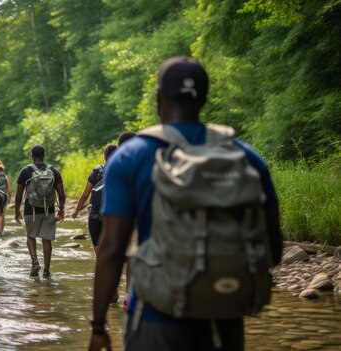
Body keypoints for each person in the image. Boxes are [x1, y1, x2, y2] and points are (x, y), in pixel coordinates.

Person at [89, 56, 283, 351]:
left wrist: (99, 325)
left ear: (158, 98)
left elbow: (113, 249)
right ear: (204, 98)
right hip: (224, 315)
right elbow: (274, 251)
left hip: (155, 316)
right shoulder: (247, 158)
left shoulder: (131, 158)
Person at [15, 145, 66, 278]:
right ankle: (46, 270)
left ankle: (34, 261)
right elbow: (61, 193)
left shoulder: (25, 171)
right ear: (44, 155)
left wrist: (16, 211)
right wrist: (61, 209)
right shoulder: (53, 171)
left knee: (31, 236)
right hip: (48, 210)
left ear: (32, 156)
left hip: (30, 210)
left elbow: (19, 194)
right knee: (46, 238)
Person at [71, 144, 118, 254]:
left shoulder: (97, 171)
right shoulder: (124, 171)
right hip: (115, 214)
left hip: (95, 214)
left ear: (104, 156)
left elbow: (85, 194)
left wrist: (77, 210)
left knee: (97, 247)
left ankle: (101, 269)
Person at [0, 159, 12, 235]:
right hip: (3, 196)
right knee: (1, 213)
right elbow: (9, 189)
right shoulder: (5, 176)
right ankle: (1, 231)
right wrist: (9, 198)